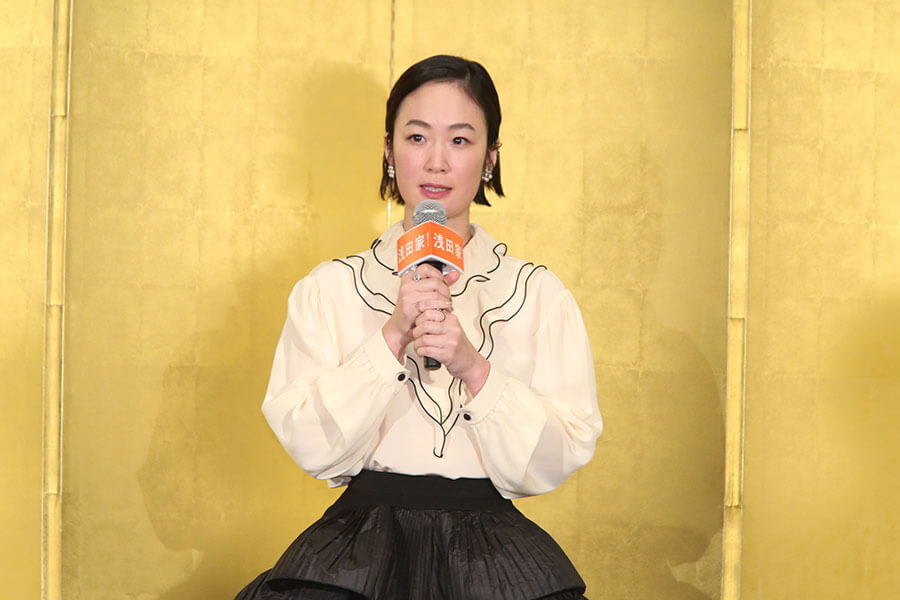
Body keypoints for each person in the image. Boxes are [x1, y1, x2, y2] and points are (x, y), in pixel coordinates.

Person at [236, 55, 602, 600]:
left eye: (460, 140)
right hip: (358, 554)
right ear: (389, 151)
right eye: (416, 137)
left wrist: (473, 367)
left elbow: (563, 449)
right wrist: (390, 339)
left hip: (492, 555)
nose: (436, 162)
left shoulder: (537, 294)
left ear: (490, 157)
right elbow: (311, 444)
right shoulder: (330, 288)